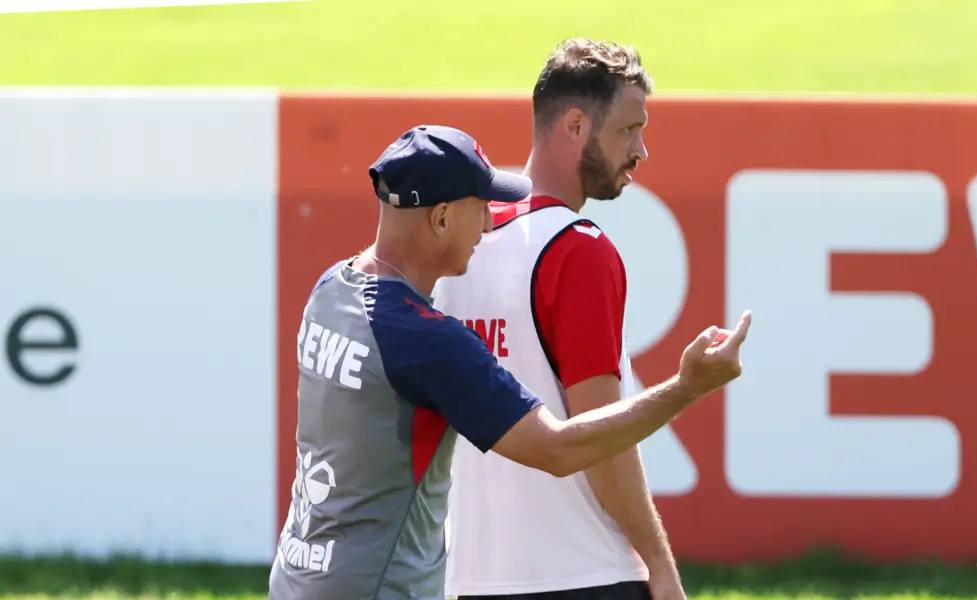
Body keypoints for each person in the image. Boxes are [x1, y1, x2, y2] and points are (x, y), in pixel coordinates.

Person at [267, 123, 752, 600]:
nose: (488, 225)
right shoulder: (426, 340)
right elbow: (558, 449)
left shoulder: (331, 289)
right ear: (440, 219)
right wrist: (687, 387)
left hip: (298, 577)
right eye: (480, 209)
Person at [433, 39, 690, 600]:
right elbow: (600, 436)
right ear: (575, 126)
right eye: (629, 129)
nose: (641, 149)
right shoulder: (579, 250)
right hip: (585, 575)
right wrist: (659, 562)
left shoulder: (453, 242)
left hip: (468, 578)